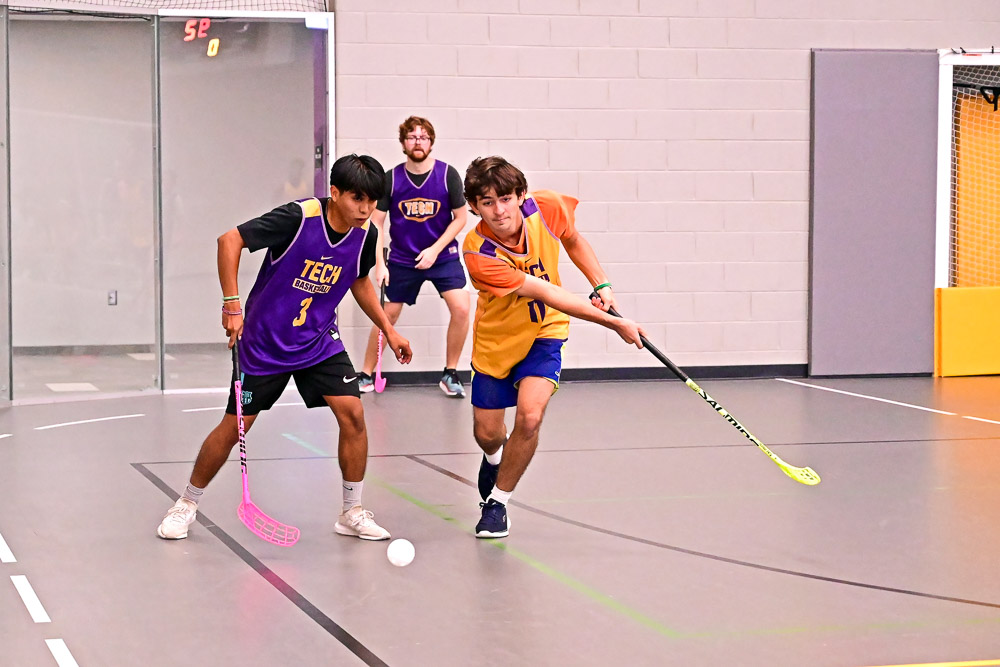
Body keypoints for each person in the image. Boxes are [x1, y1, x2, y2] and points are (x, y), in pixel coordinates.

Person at [157, 154, 412, 542]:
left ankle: (352, 511)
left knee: (353, 415)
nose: (365, 209)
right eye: (357, 199)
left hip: (318, 341)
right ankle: (186, 504)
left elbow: (358, 281)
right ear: (334, 192)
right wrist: (232, 305)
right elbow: (230, 240)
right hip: (263, 344)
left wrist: (388, 329)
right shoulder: (299, 218)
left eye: (372, 202)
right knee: (235, 427)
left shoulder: (367, 235)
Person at [461, 156, 645, 539]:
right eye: (487, 202)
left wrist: (601, 284)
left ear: (521, 196)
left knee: (529, 416)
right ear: (474, 206)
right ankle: (494, 458)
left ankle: (497, 503)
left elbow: (573, 239)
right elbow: (549, 292)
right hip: (497, 342)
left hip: (545, 332)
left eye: (506, 199)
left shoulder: (546, 207)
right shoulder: (478, 252)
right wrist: (615, 324)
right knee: (488, 433)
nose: (499, 210)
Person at [357, 115, 470, 398]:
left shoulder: (447, 175)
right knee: (386, 316)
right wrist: (380, 264)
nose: (417, 142)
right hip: (403, 259)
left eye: (423, 137)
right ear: (403, 143)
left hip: (443, 256)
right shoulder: (391, 178)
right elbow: (377, 223)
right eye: (412, 137)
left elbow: (460, 218)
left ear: (431, 141)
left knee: (462, 309)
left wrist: (435, 250)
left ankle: (451, 372)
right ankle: (366, 374)